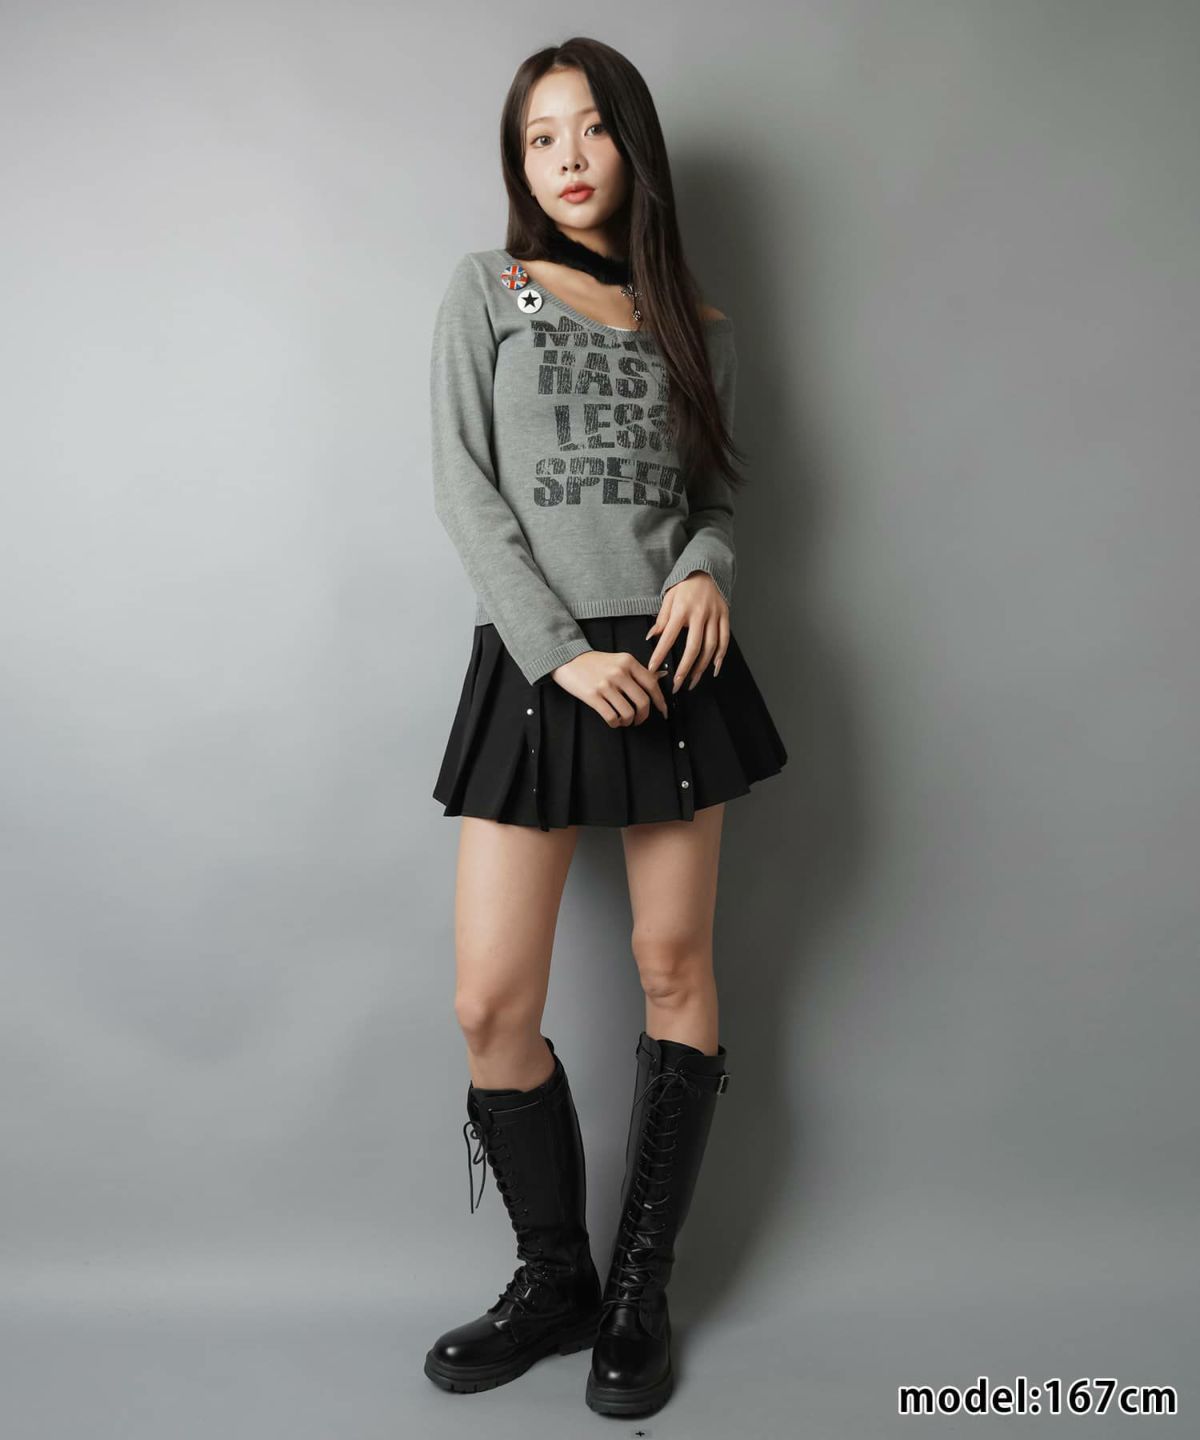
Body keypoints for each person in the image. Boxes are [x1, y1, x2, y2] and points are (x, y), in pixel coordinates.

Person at [423, 36, 787, 1419]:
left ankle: (639, 1288)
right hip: (544, 664)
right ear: (518, 164)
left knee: (672, 965)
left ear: (633, 145)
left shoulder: (701, 325)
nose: (566, 158)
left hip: (677, 664)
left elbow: (715, 504)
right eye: (539, 138)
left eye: (588, 129)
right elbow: (466, 490)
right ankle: (554, 1276)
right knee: (489, 1002)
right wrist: (562, 657)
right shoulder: (487, 290)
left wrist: (708, 571)